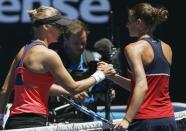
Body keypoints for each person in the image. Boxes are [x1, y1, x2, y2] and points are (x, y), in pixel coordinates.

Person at [0, 6, 115, 130]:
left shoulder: (22, 51)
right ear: (46, 26)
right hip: (35, 122)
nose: (62, 31)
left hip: (13, 123)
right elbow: (74, 88)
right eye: (58, 26)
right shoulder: (49, 55)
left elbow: (5, 90)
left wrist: (1, 118)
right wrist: (101, 74)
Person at [99, 2, 178, 131]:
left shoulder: (133, 48)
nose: (126, 25)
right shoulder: (167, 48)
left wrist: (126, 119)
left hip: (144, 121)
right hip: (168, 119)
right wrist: (113, 77)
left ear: (139, 22)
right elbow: (144, 86)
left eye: (129, 21)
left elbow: (142, 86)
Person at [49, 20, 116, 122]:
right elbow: (44, 87)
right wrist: (70, 92)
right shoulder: (53, 59)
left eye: (83, 43)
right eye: (76, 43)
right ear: (65, 40)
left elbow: (96, 93)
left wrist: (106, 95)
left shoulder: (93, 60)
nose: (80, 47)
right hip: (59, 121)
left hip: (87, 121)